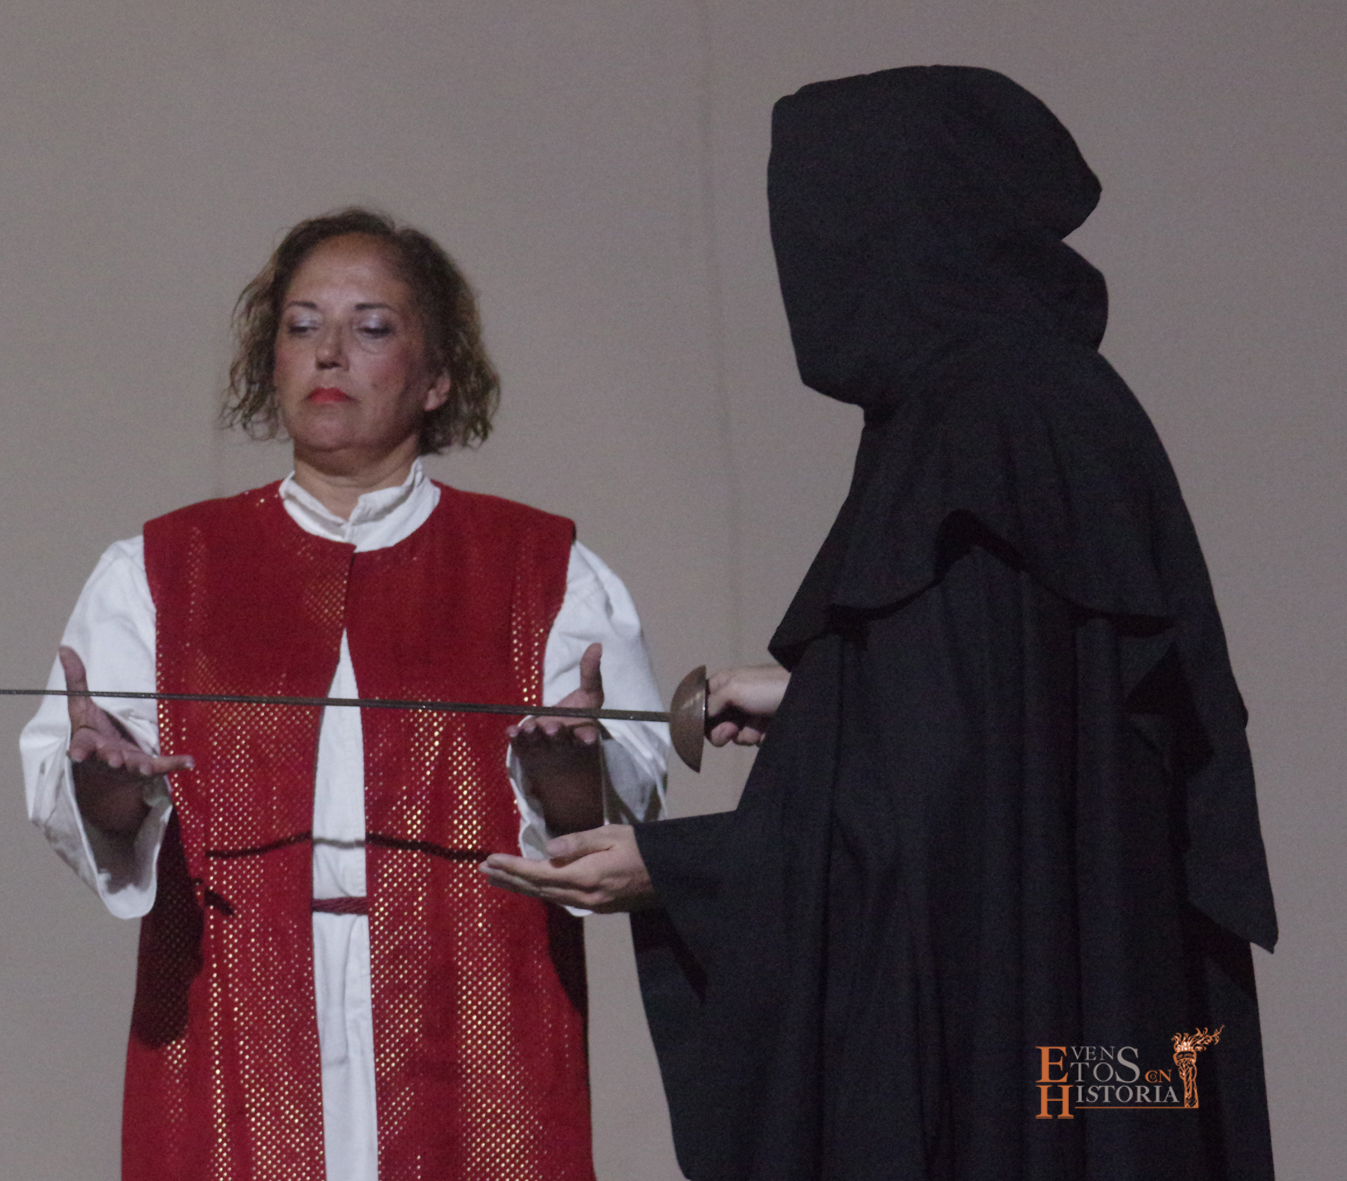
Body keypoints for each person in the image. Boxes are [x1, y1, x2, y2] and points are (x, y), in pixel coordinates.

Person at [483, 67, 1277, 1179]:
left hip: (1017, 1055)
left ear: (900, 223)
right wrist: (826, 694)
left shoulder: (974, 427)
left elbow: (930, 815)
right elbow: (1018, 723)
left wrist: (678, 868)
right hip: (1098, 1039)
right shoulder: (1053, 406)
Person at [20, 207, 669, 1181]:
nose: (328, 351)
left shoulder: (544, 571)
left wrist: (571, 774)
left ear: (437, 375)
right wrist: (107, 786)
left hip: (470, 1009)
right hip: (234, 1013)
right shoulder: (158, 571)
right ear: (269, 361)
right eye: (301, 325)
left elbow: (614, 823)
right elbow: (89, 803)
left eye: (370, 326)